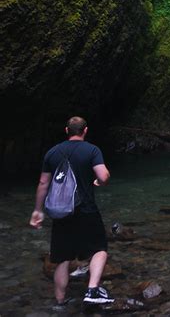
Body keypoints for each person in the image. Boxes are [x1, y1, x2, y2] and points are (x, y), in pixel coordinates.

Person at [30, 116, 114, 309]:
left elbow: (43, 183)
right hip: (86, 210)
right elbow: (104, 175)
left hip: (61, 213)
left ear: (66, 131)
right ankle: (92, 291)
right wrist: (99, 182)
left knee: (62, 259)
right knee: (99, 249)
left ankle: (60, 302)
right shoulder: (92, 150)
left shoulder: (52, 152)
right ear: (85, 131)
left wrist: (37, 210)